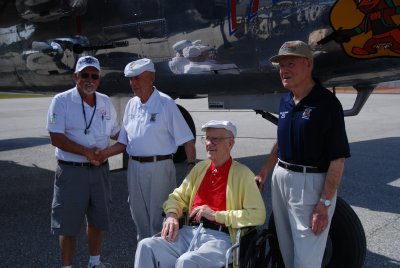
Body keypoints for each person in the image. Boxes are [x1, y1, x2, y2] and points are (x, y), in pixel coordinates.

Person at [255, 40, 350, 268]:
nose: (284, 70)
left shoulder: (327, 104)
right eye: (281, 66)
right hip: (281, 179)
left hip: (310, 183)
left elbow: (337, 159)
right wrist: (265, 171)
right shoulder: (286, 100)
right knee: (286, 250)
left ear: (308, 64)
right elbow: (282, 141)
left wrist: (324, 203)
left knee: (306, 257)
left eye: (290, 64)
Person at [134, 120, 266, 268]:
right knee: (146, 246)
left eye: (215, 139)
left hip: (220, 238)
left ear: (230, 143)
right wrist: (171, 214)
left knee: (187, 261)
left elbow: (258, 215)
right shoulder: (200, 168)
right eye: (207, 138)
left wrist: (216, 215)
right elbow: (177, 197)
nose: (209, 143)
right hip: (188, 233)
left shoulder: (243, 175)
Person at [98, 58, 196, 241]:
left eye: (137, 78)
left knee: (160, 215)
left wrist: (191, 166)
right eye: (131, 79)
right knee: (138, 215)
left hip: (159, 166)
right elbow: (124, 142)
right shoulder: (131, 104)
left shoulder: (165, 104)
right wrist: (103, 154)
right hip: (134, 167)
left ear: (151, 78)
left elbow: (187, 140)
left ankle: (160, 255)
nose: (133, 83)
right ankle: (145, 254)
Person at [46, 55, 120, 268]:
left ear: (99, 78)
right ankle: (67, 266)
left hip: (100, 171)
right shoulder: (61, 101)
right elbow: (56, 138)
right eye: (85, 75)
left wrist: (131, 140)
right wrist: (87, 152)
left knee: (98, 220)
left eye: (94, 76)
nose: (90, 79)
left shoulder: (105, 101)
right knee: (67, 225)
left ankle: (94, 262)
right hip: (71, 171)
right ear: (75, 76)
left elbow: (116, 132)